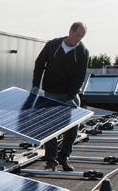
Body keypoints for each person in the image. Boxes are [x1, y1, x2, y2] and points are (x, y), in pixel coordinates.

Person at [31, 22, 89, 171]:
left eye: (82, 36)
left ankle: (64, 157)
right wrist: (35, 86)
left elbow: (80, 77)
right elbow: (39, 64)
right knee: (50, 126)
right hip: (51, 93)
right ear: (70, 31)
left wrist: (70, 96)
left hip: (70, 94)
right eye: (77, 35)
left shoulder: (82, 52)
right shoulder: (53, 45)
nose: (79, 39)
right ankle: (51, 160)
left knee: (73, 126)